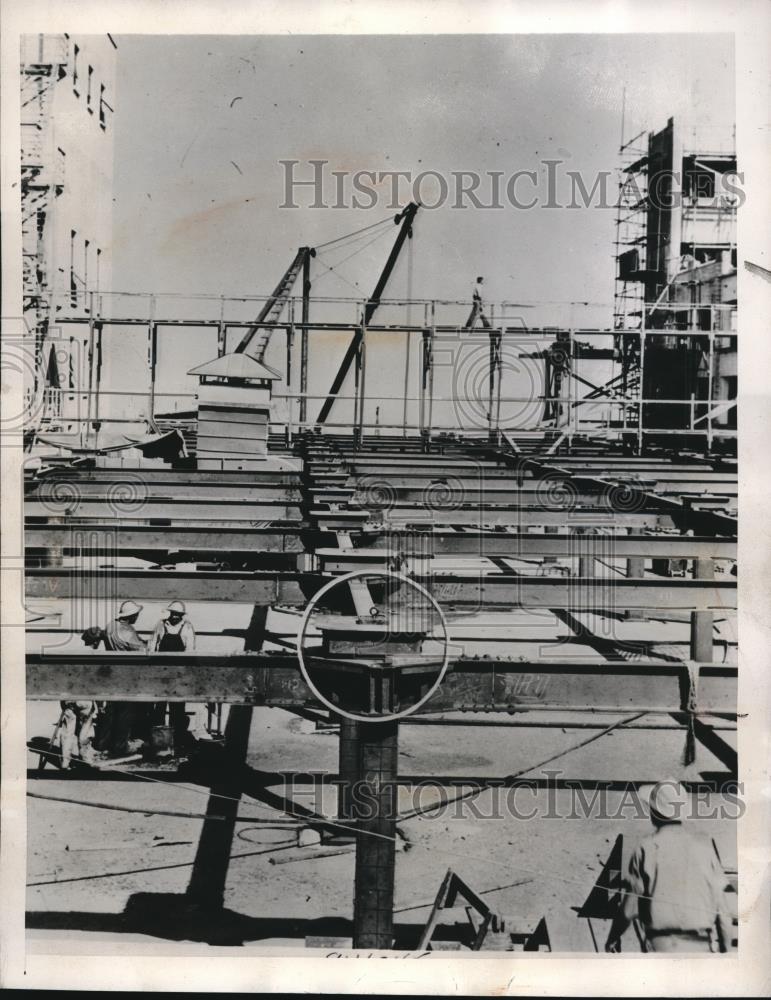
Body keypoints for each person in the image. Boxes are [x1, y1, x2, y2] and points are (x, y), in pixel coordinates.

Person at [605, 781, 733, 953]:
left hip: (662, 946)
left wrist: (613, 938)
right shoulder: (705, 849)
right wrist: (727, 953)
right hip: (701, 946)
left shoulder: (647, 848)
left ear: (653, 813)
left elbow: (630, 908)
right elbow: (722, 911)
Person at [94, 600, 150, 757]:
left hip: (111, 673)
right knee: (125, 713)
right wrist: (148, 644)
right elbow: (141, 650)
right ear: (131, 616)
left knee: (110, 711)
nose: (137, 617)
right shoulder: (128, 631)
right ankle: (119, 747)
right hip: (126, 676)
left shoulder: (111, 625)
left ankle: (102, 744)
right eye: (136, 615)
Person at [150, 600, 196, 754]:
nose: (175, 617)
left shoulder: (187, 627)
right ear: (170, 613)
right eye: (173, 614)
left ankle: (178, 743)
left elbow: (190, 651)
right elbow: (152, 647)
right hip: (161, 674)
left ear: (182, 615)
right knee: (159, 708)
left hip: (178, 674)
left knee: (178, 708)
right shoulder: (160, 625)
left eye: (178, 614)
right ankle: (160, 744)